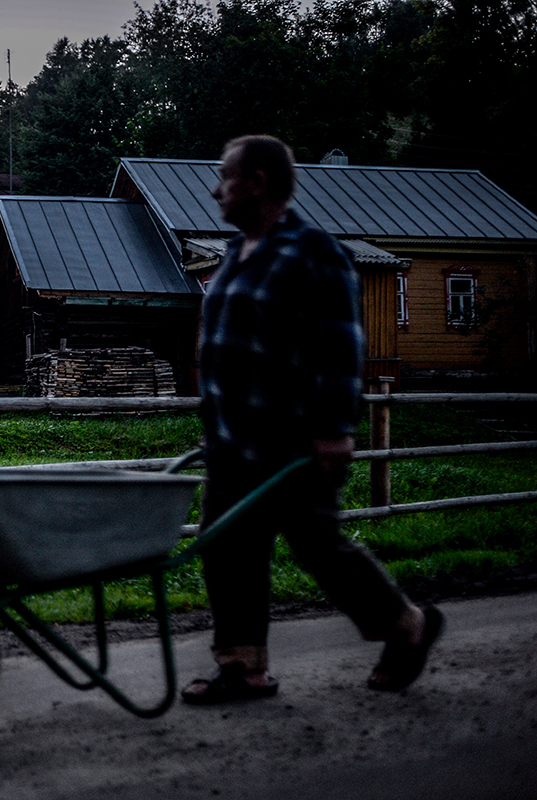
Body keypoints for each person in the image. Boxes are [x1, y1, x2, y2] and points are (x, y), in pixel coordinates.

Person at [182, 135, 443, 705]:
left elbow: (342, 344)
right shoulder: (234, 253)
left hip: (293, 438)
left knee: (317, 547)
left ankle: (407, 626)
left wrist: (335, 429)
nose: (214, 189)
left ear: (256, 183)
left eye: (224, 177)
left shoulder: (313, 252)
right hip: (231, 441)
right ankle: (243, 668)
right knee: (226, 546)